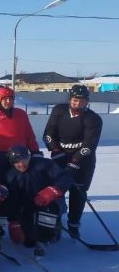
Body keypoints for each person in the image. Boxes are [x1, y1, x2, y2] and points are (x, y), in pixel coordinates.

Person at [42, 85, 102, 238]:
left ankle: (74, 224)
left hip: (83, 162)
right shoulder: (59, 111)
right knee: (56, 191)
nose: (77, 104)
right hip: (60, 157)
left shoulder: (94, 119)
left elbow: (89, 145)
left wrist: (74, 162)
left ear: (87, 102)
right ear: (70, 99)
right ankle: (55, 222)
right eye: (75, 100)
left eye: (81, 101)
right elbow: (48, 134)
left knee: (78, 193)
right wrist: (55, 151)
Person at [2, 145, 74, 257]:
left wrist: (54, 190)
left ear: (29, 157)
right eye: (17, 162)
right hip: (26, 205)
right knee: (28, 242)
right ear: (12, 162)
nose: (22, 164)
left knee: (48, 217)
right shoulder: (10, 175)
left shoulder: (44, 164)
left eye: (24, 160)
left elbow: (65, 177)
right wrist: (13, 222)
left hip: (48, 202)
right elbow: (11, 200)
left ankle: (46, 237)